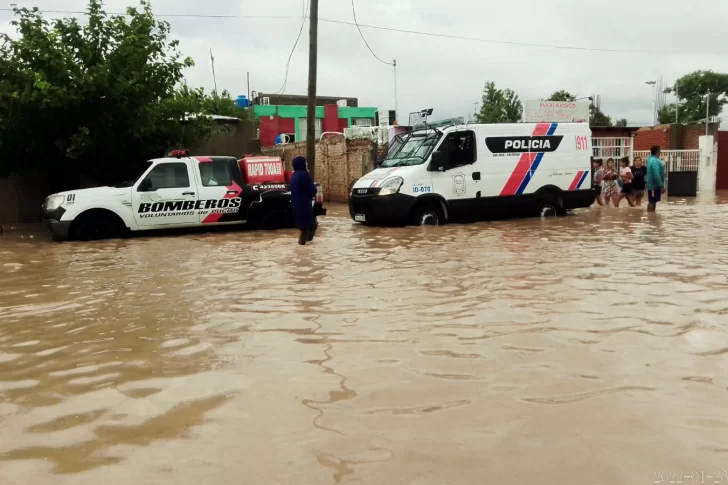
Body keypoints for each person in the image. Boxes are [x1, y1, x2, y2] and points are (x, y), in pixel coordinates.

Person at [290, 156, 318, 245]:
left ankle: (306, 246)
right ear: (301, 164)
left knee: (305, 227)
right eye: (305, 162)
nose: (306, 164)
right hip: (304, 205)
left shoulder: (294, 175)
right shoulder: (305, 175)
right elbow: (312, 190)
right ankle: (305, 247)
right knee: (310, 226)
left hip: (295, 205)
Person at [646, 146, 666, 212]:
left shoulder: (650, 159)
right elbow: (656, 174)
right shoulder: (655, 161)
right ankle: (650, 216)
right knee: (652, 201)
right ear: (657, 151)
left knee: (653, 201)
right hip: (654, 186)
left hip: (652, 185)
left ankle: (652, 217)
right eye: (660, 150)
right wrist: (661, 185)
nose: (661, 151)